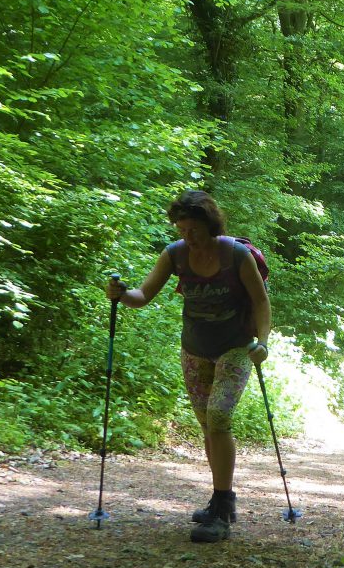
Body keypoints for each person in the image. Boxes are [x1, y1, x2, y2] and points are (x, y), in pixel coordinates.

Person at [106, 189, 271, 543]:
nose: (187, 237)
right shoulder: (175, 255)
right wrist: (120, 294)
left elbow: (260, 301)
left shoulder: (236, 255)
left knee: (220, 417)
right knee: (207, 426)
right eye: (182, 230)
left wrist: (263, 342)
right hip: (194, 349)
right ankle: (219, 497)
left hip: (236, 347)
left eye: (193, 229)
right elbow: (143, 296)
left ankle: (222, 509)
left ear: (209, 225)